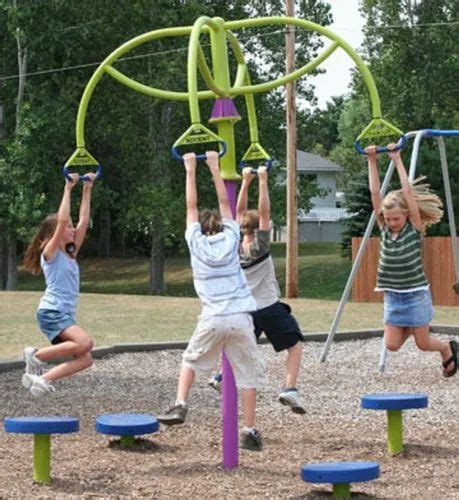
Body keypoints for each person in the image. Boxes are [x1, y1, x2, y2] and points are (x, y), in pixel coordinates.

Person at [157, 152, 267, 451]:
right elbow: (224, 203)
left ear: (200, 229)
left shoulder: (195, 243)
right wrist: (214, 167)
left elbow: (191, 205)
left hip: (213, 317)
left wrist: (189, 169)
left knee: (191, 360)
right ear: (221, 225)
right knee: (246, 376)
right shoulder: (232, 237)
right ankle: (251, 430)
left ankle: (180, 403)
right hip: (242, 317)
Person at [209, 166, 306, 413]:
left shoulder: (233, 248)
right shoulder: (261, 247)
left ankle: (220, 376)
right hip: (269, 307)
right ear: (260, 229)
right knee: (294, 346)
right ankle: (289, 388)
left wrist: (245, 182)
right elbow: (264, 212)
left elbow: (239, 211)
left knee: (235, 347)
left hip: (245, 311)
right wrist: (262, 180)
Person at [366, 143, 457, 377]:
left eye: (396, 218)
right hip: (393, 296)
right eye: (388, 218)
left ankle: (446, 348)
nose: (392, 222)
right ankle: (411, 327)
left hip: (416, 294)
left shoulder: (414, 229)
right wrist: (372, 160)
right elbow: (375, 193)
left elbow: (407, 191)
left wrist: (397, 159)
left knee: (423, 344)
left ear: (406, 214)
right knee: (391, 345)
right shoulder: (384, 229)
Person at [22, 173, 97, 396]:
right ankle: (36, 356)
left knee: (85, 359)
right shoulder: (50, 253)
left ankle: (40, 379)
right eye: (67, 228)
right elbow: (62, 221)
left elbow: (83, 222)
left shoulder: (70, 252)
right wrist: (67, 188)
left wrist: (87, 188)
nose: (72, 229)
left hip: (62, 314)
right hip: (52, 311)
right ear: (53, 234)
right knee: (86, 343)